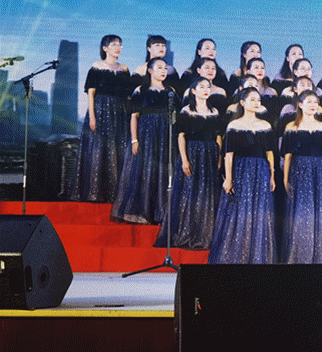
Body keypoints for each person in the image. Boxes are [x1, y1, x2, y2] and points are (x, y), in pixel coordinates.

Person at [208, 87, 277, 264]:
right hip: (241, 170)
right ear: (242, 102)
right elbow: (228, 155)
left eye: (258, 99)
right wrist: (228, 178)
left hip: (261, 171)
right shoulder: (234, 125)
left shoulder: (266, 125)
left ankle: (257, 257)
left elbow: (270, 153)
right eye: (252, 99)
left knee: (259, 211)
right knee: (240, 211)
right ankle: (238, 256)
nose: (256, 103)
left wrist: (272, 175)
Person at [155, 77, 224, 250]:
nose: (206, 90)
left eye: (208, 87)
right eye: (201, 87)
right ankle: (187, 231)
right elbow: (181, 136)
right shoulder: (186, 111)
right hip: (193, 153)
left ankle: (206, 233)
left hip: (210, 154)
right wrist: (184, 159)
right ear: (193, 91)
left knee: (208, 193)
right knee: (190, 191)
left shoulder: (214, 111)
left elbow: (218, 137)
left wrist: (219, 157)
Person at [111, 57, 178, 225]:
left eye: (165, 68)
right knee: (145, 170)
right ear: (150, 70)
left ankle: (161, 213)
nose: (163, 71)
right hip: (146, 134)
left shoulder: (171, 91)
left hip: (165, 135)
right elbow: (134, 116)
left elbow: (175, 116)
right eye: (159, 67)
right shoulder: (141, 90)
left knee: (163, 171)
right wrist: (135, 139)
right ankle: (143, 212)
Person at [71, 35, 131, 203]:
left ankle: (118, 194)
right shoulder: (96, 67)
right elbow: (91, 94)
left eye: (120, 44)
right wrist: (92, 117)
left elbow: (128, 95)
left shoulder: (125, 69)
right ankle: (96, 193)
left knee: (119, 149)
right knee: (99, 150)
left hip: (120, 113)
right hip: (101, 111)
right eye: (114, 44)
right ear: (105, 48)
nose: (118, 47)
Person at [282, 90, 322, 264]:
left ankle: (319, 255)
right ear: (300, 104)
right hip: (299, 170)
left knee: (319, 209)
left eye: (315, 102)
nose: (313, 105)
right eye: (309, 102)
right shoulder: (291, 127)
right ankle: (299, 255)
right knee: (301, 210)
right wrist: (285, 178)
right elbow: (287, 156)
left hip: (320, 170)